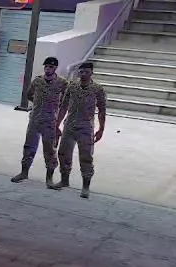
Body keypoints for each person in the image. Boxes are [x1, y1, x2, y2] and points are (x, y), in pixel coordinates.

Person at [49, 62, 107, 199]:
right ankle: (64, 180)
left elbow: (102, 110)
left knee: (86, 157)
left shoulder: (97, 89)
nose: (83, 74)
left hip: (86, 127)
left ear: (91, 73)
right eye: (81, 72)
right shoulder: (72, 86)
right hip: (70, 125)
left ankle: (85, 187)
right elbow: (63, 106)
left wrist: (101, 129)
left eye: (86, 72)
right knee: (63, 153)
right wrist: (57, 124)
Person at [12, 56, 67, 184]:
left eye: (50, 67)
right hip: (35, 119)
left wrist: (56, 107)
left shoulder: (62, 83)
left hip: (50, 121)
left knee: (50, 149)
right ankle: (24, 172)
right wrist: (38, 103)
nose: (47, 69)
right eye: (46, 66)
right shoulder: (37, 81)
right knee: (29, 146)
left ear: (55, 68)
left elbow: (67, 99)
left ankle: (49, 178)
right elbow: (29, 94)